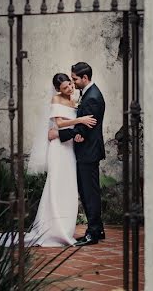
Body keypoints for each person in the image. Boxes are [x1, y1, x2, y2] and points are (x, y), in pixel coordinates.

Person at [22, 72, 97, 247]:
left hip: (69, 147)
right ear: (58, 90)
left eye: (70, 84)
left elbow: (71, 127)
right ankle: (54, 230)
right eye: (65, 87)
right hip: (58, 149)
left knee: (69, 187)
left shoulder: (74, 100)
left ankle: (65, 227)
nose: (70, 88)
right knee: (56, 185)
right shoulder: (56, 100)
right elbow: (60, 124)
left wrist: (78, 133)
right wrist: (81, 120)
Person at [48, 62, 105, 246]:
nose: (73, 83)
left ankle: (93, 233)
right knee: (90, 191)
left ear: (85, 78)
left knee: (89, 193)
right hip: (86, 149)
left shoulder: (92, 97)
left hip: (88, 152)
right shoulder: (89, 94)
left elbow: (85, 126)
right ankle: (98, 228)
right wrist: (78, 133)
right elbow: (81, 126)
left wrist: (59, 134)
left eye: (74, 79)